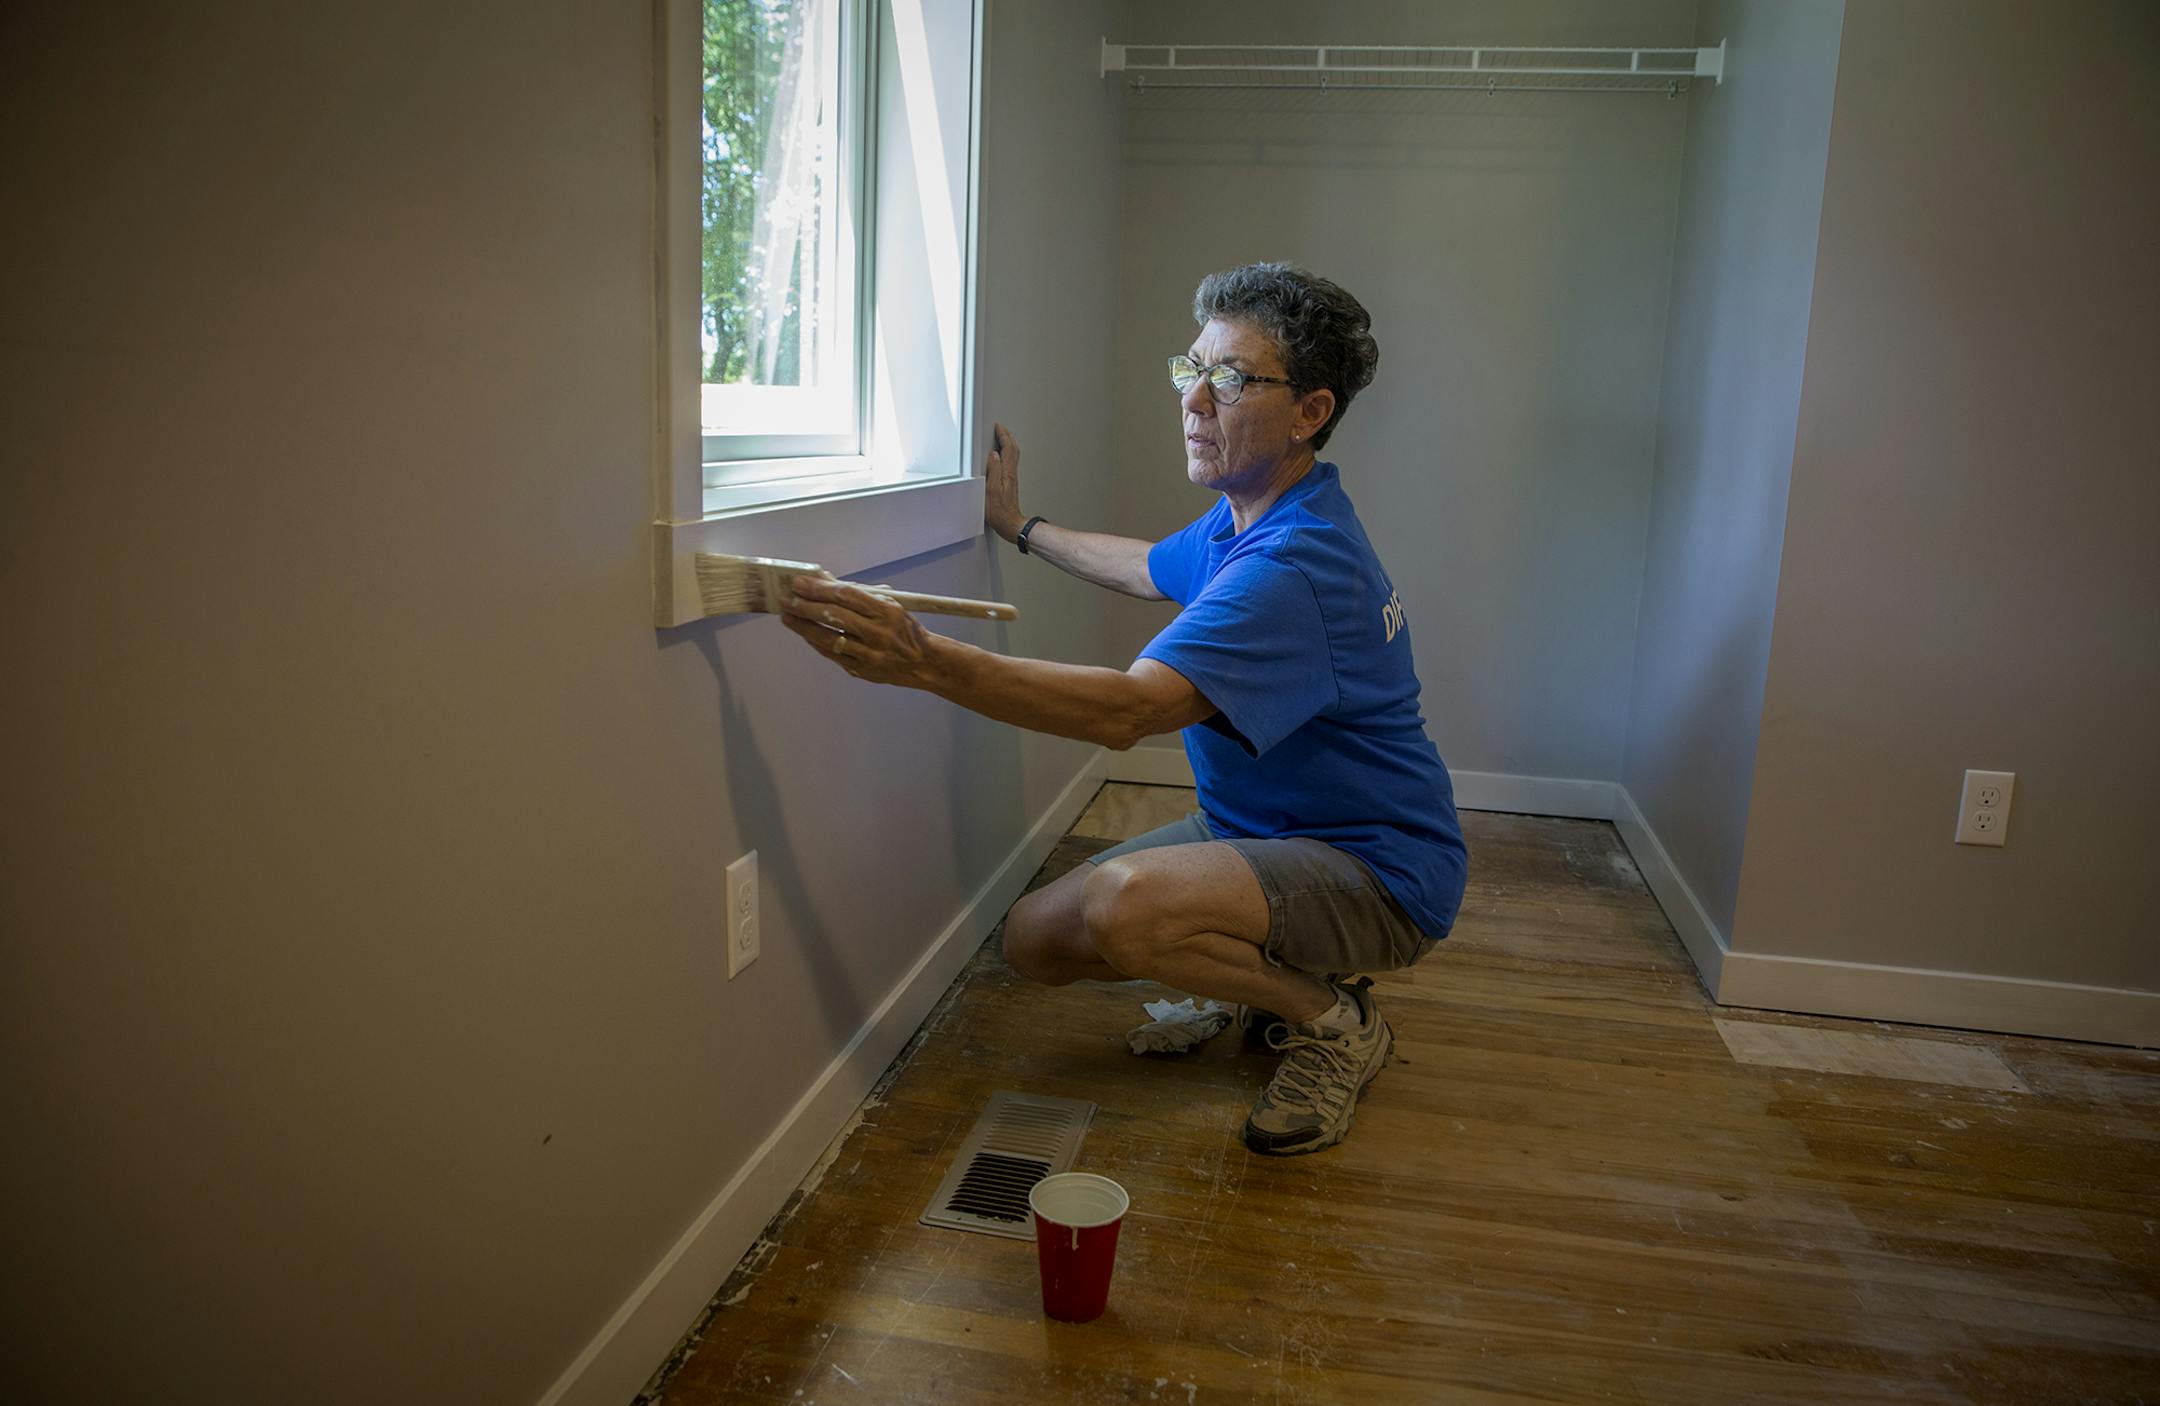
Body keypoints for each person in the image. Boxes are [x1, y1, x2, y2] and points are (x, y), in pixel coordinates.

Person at [779, 262, 1467, 1156]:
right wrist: (1019, 526)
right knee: (1034, 943)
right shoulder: (1247, 515)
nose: (1194, 402)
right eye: (1191, 371)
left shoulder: (1292, 568)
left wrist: (921, 659)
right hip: (1257, 833)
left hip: (1379, 871)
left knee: (1127, 909)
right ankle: (1259, 967)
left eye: (1231, 380)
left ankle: (1335, 1019)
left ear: (1310, 412)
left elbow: (1126, 713)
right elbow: (1146, 565)